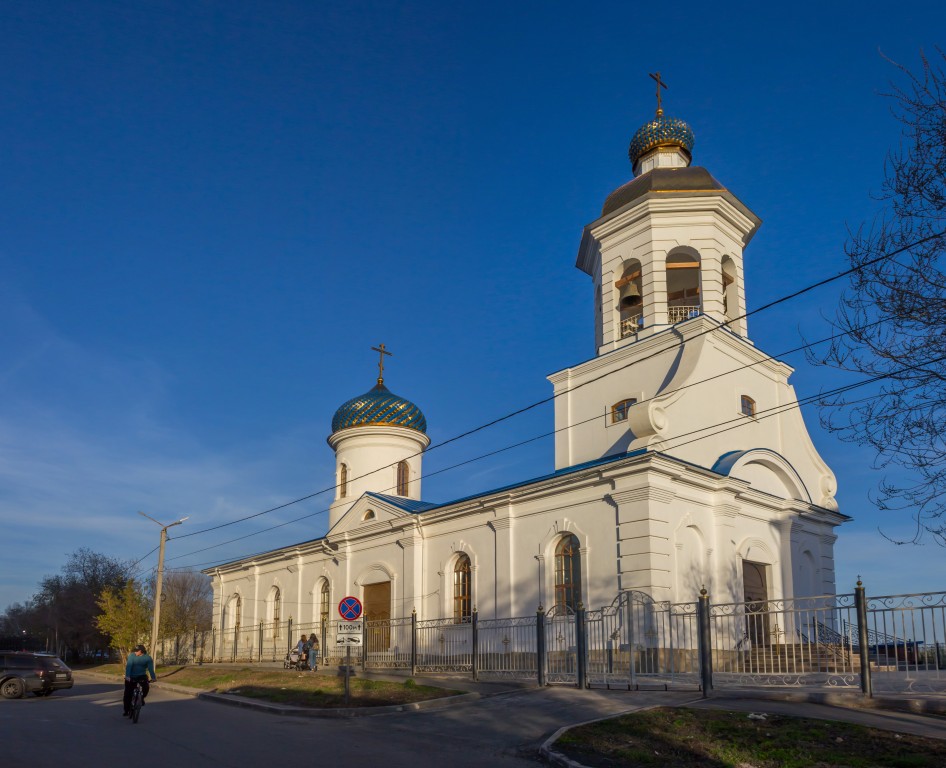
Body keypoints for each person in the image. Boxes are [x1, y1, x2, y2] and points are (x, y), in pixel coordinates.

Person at [123, 644, 157, 716]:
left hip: (141, 676)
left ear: (141, 651)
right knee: (127, 694)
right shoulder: (132, 656)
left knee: (146, 688)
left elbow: (150, 669)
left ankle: (141, 698)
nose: (135, 652)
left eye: (136, 651)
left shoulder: (148, 658)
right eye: (134, 651)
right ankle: (126, 710)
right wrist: (128, 676)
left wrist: (153, 677)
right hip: (131, 676)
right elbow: (129, 666)